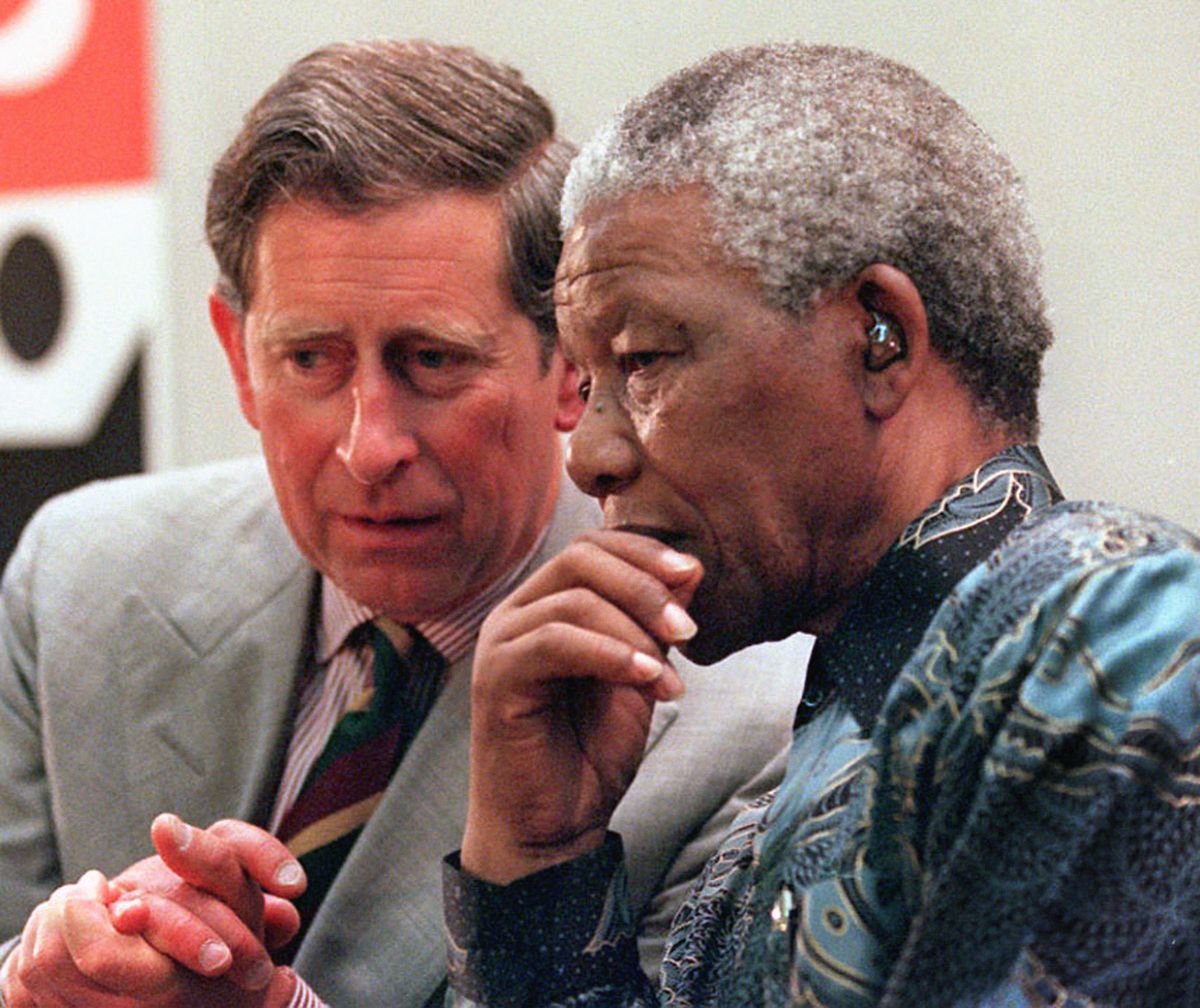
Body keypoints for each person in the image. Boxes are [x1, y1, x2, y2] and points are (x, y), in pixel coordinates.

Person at [0, 40, 809, 1008]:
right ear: (236, 356)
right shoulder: (77, 580)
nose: (367, 444)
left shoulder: (744, 719)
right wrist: (34, 980)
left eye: (430, 360)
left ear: (569, 365)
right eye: (310, 359)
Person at [442, 43, 1200, 1007]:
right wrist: (537, 858)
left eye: (643, 359)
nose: (587, 454)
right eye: (588, 384)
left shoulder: (1114, 633)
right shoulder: (773, 826)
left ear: (879, 336)